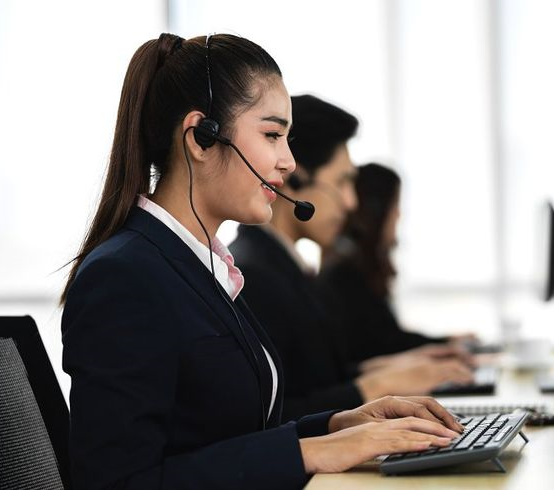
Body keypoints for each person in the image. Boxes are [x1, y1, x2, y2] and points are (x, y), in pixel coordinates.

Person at [60, 34, 464, 490]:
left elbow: (228, 435)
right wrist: (310, 452)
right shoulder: (125, 276)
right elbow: (116, 482)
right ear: (201, 137)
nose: (289, 162)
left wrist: (337, 425)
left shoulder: (202, 267)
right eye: (272, 135)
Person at [229, 94, 474, 422]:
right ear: (296, 179)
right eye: (342, 182)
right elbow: (272, 415)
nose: (350, 203)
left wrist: (390, 368)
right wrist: (377, 386)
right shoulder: (252, 276)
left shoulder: (282, 265)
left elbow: (315, 377)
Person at [319, 162, 472, 367]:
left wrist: (445, 342)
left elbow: (388, 338)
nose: (398, 215)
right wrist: (444, 345)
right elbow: (382, 346)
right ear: (377, 211)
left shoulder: (358, 267)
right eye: (395, 206)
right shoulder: (345, 275)